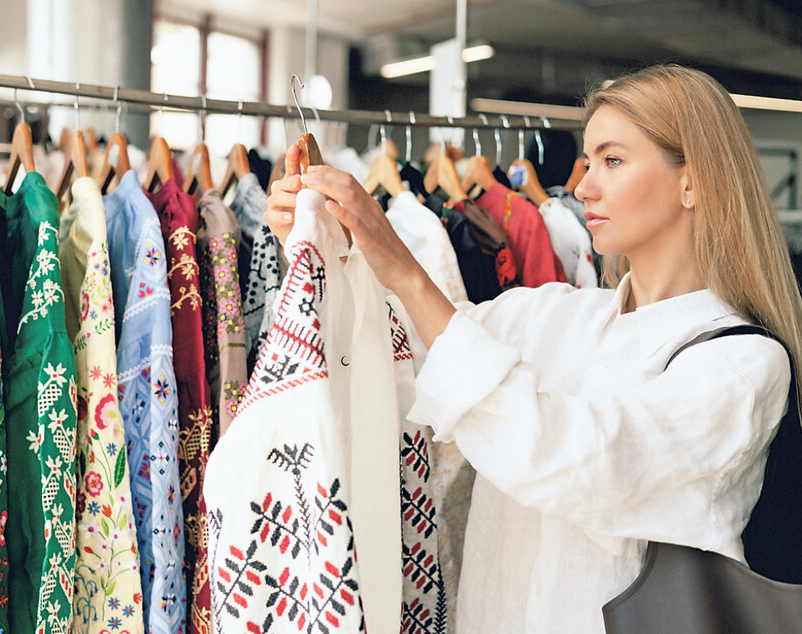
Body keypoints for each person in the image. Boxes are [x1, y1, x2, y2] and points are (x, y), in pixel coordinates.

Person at [265, 64, 802, 633]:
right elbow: (399, 351)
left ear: (691, 181)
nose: (582, 186)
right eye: (589, 161)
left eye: (612, 161)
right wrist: (325, 246)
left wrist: (403, 267)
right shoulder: (547, 313)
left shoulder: (742, 366)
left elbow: (570, 457)